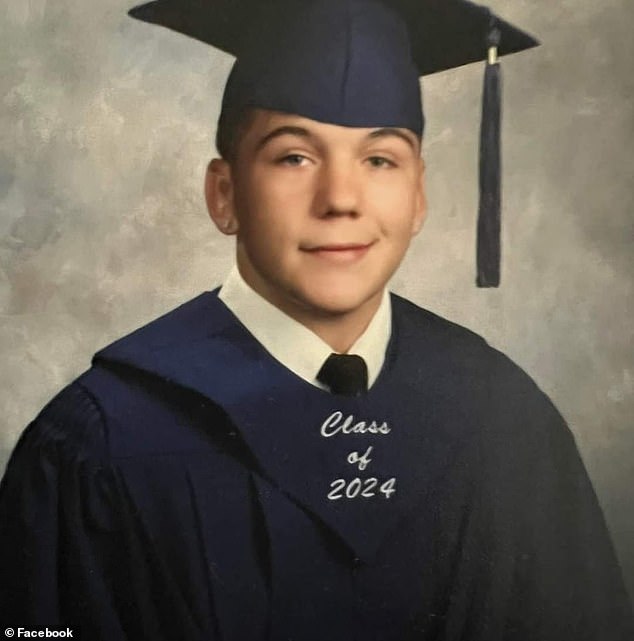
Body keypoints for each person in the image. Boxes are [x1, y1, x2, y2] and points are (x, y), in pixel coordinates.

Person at [1, 0, 632, 639]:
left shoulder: (504, 419)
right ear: (225, 194)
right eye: (293, 157)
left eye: (380, 159)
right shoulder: (98, 444)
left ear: (418, 197)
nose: (340, 199)